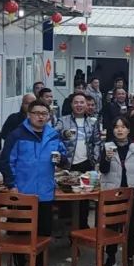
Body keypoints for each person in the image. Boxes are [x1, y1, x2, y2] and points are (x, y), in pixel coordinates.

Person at [2, 100, 67, 266]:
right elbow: (6, 161)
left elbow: (64, 159)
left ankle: (40, 264)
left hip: (45, 192)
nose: (40, 117)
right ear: (29, 115)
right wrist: (11, 185)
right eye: (37, 113)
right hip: (22, 192)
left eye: (44, 114)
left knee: (44, 231)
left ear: (49, 116)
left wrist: (61, 159)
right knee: (20, 231)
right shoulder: (17, 135)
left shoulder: (53, 135)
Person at [100, 117, 134, 266]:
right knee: (111, 226)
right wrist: (107, 158)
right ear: (112, 130)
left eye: (123, 127)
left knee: (131, 227)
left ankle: (129, 258)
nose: (120, 130)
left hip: (132, 193)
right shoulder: (107, 147)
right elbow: (103, 170)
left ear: (128, 130)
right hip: (113, 193)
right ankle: (111, 257)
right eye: (117, 127)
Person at [57, 92, 102, 229]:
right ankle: (65, 227)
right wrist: (64, 134)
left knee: (84, 198)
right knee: (66, 198)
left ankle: (82, 225)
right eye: (76, 102)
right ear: (71, 104)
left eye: (82, 102)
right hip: (67, 164)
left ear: (87, 105)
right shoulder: (63, 120)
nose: (79, 105)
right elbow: (53, 136)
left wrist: (95, 159)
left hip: (86, 164)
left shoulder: (92, 121)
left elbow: (97, 142)